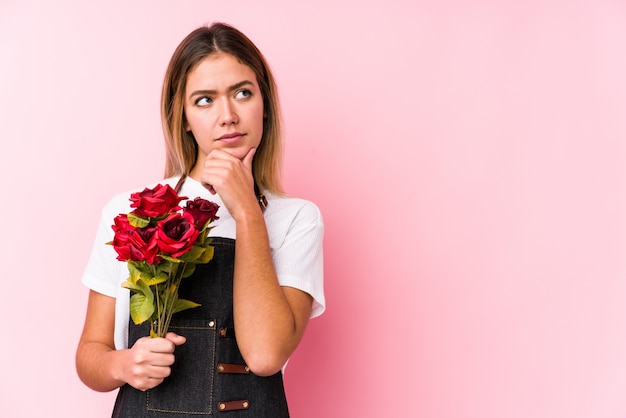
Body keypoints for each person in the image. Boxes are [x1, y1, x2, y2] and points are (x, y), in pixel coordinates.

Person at [76, 22, 325, 417]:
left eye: (243, 93)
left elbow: (264, 356)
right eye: (205, 100)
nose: (227, 115)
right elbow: (90, 355)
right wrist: (122, 364)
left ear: (265, 106)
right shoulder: (131, 210)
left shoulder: (297, 218)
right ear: (185, 118)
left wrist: (246, 212)